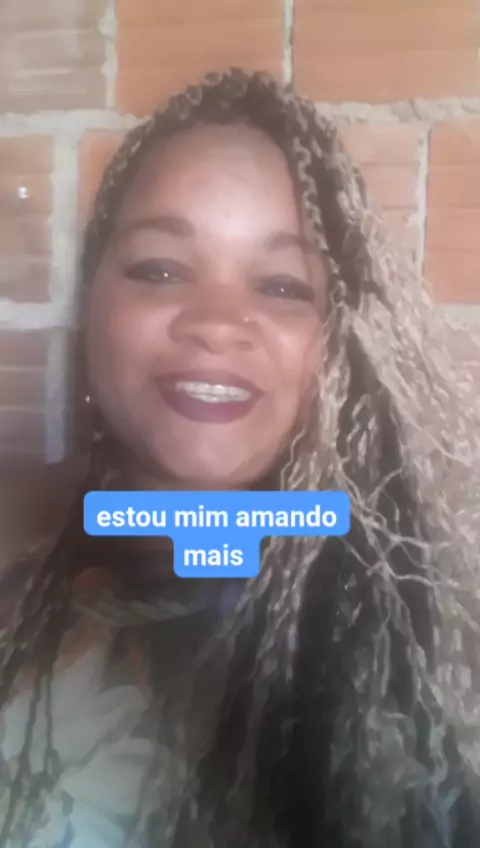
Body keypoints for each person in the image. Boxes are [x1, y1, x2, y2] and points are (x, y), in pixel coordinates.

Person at [0, 67, 479, 848]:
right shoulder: (18, 540)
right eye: (160, 269)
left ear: (339, 340)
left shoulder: (418, 635)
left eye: (283, 285)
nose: (217, 322)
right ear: (93, 302)